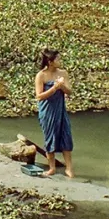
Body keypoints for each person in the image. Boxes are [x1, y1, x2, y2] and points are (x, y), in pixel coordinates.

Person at [34, 46, 75, 179]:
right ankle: (52, 167)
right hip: (47, 110)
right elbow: (39, 96)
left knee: (66, 136)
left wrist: (61, 86)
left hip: (60, 109)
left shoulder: (63, 73)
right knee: (50, 137)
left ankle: (69, 168)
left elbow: (69, 91)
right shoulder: (41, 75)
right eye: (57, 58)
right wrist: (54, 88)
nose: (60, 60)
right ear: (50, 62)